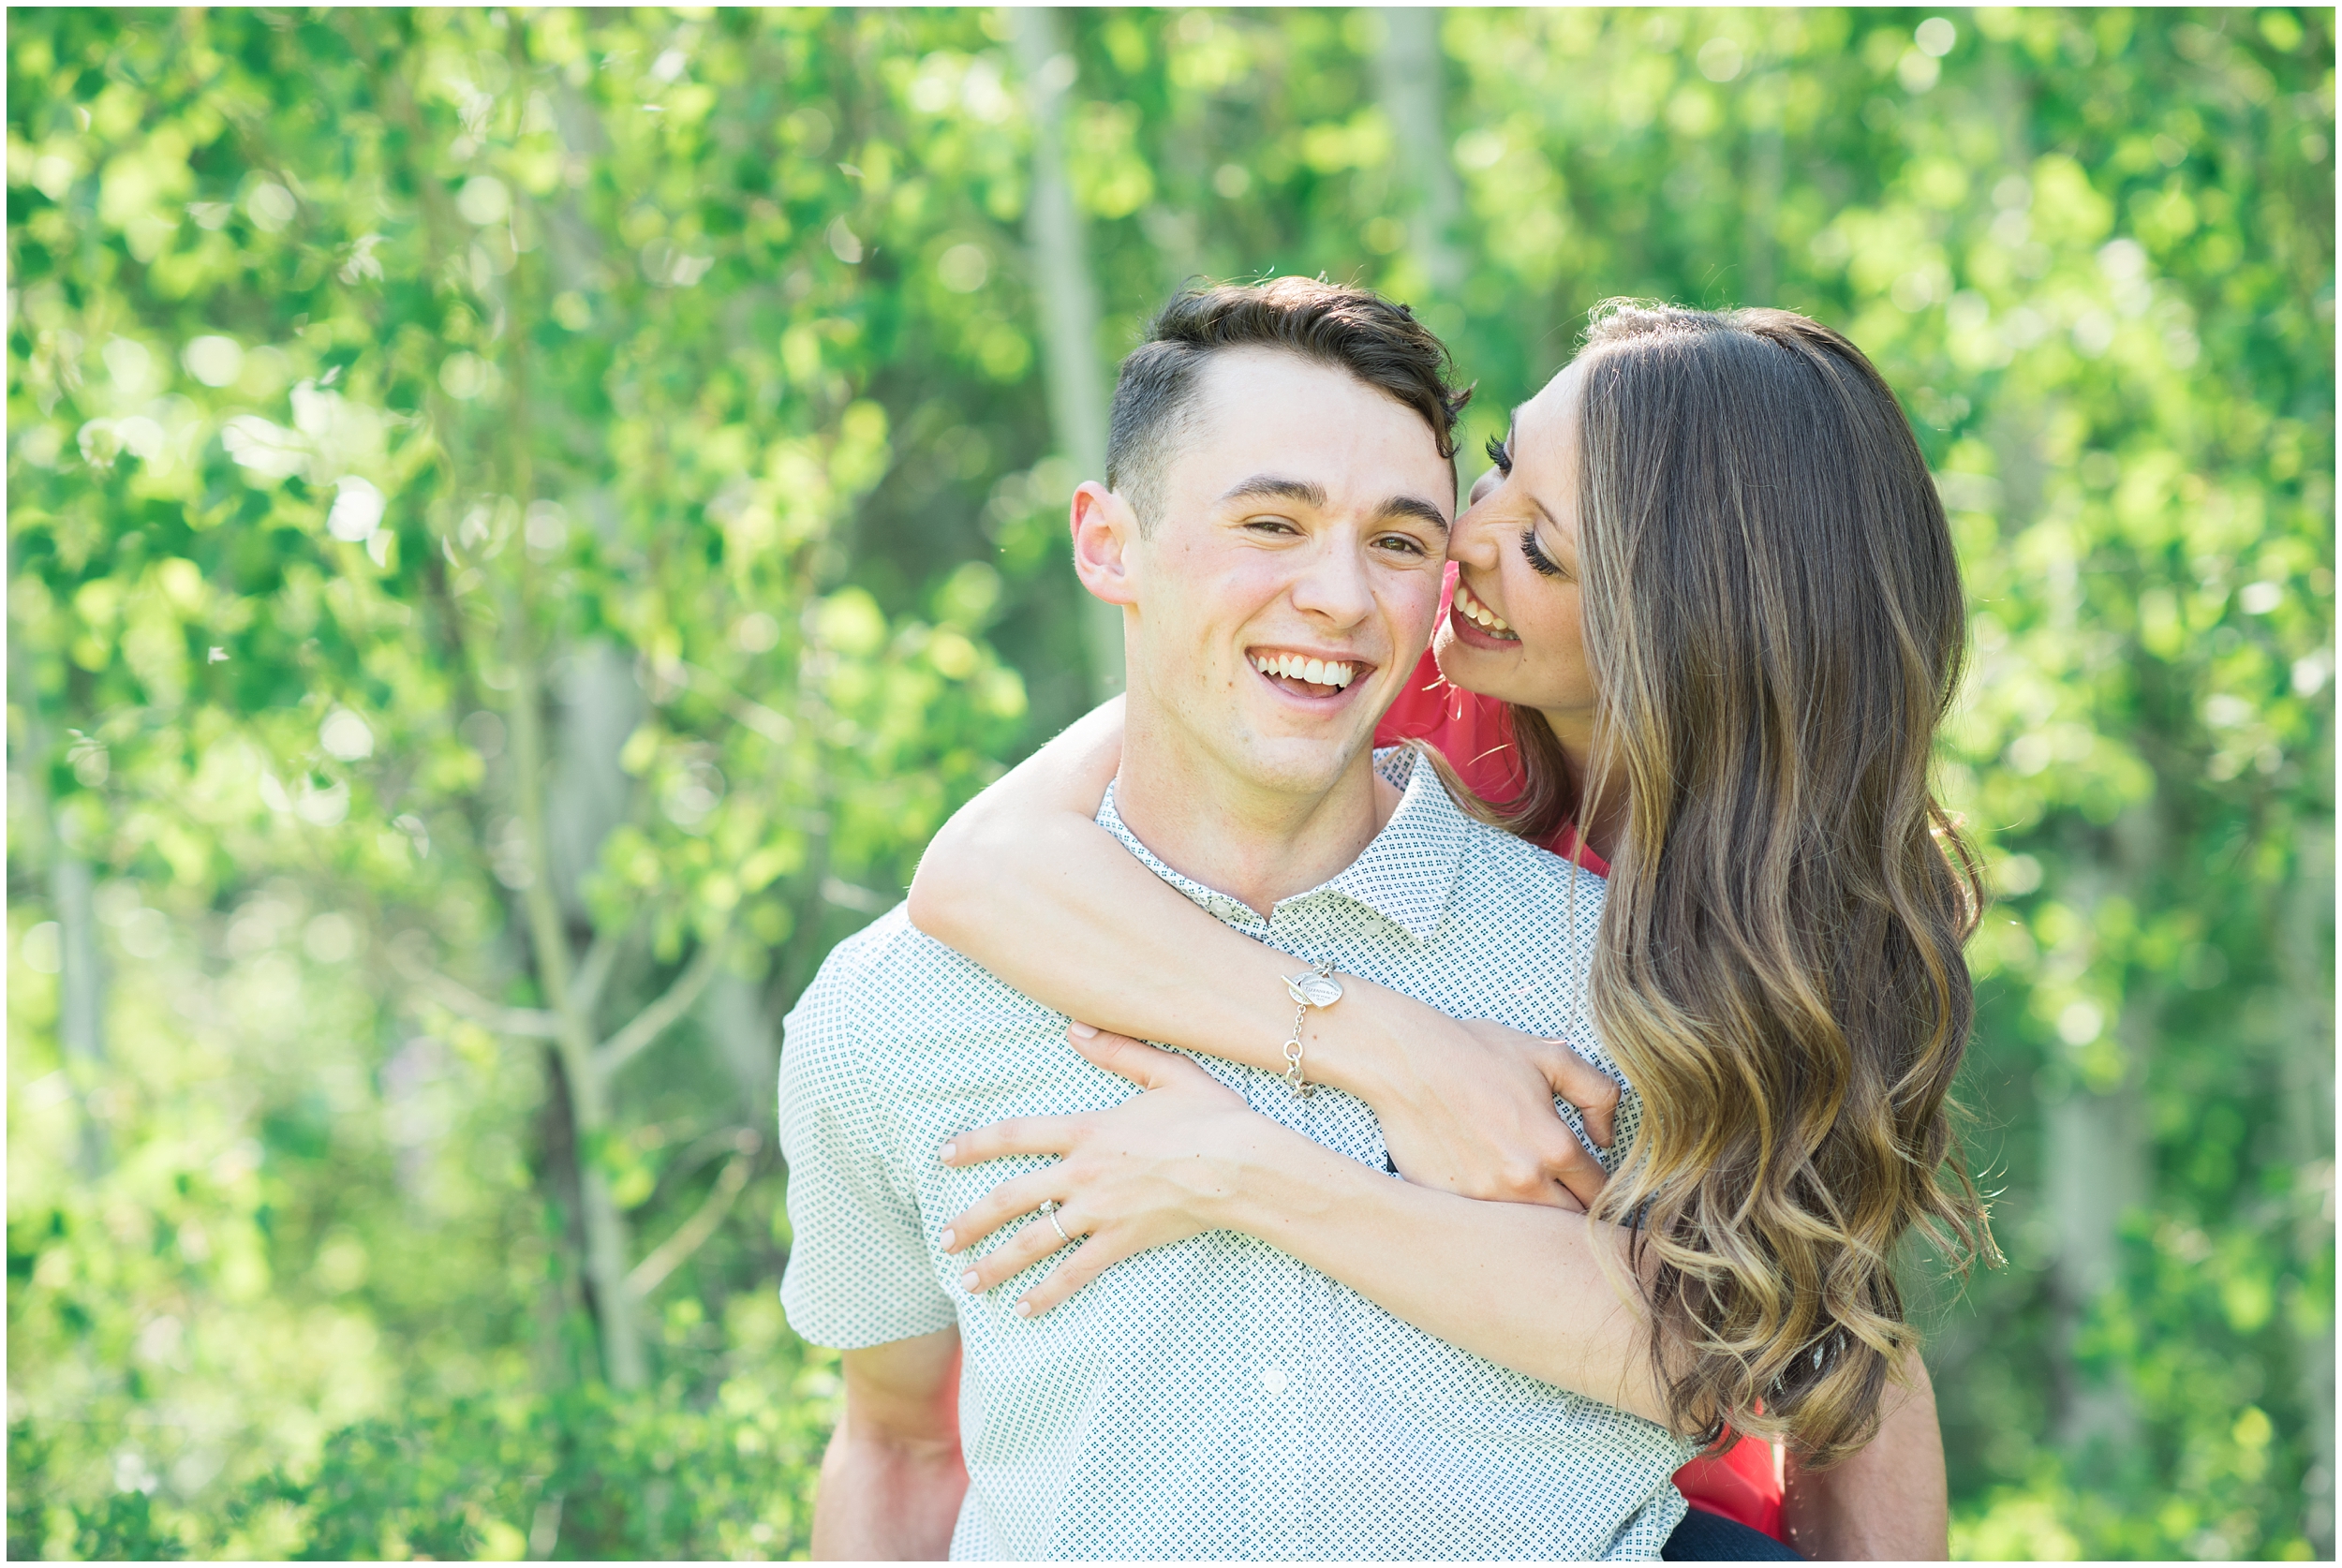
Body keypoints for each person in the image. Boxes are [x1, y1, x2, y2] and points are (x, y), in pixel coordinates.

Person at [906, 298, 1996, 1559]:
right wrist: (1381, 1046)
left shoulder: (1801, 919)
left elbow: (1811, 1340)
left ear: (1680, 634)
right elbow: (986, 869)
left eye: (1541, 550)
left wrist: (1253, 1171)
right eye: (1496, 471)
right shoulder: (1386, 676)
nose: (1459, 544)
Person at [782, 279, 1703, 1560]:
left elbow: (1792, 1371)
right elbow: (896, 1441)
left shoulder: (1628, 986)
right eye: (1273, 522)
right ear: (1109, 545)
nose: (1338, 595)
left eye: (1396, 541)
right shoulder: (889, 1017)